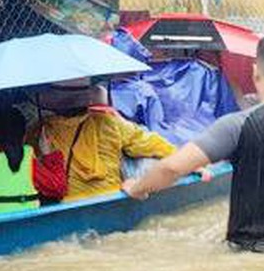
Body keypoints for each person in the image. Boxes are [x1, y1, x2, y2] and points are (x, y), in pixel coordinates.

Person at [123, 32, 264, 254]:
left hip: (251, 254)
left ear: (255, 72)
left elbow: (172, 167)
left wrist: (137, 188)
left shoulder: (237, 126)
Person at [37, 82, 175, 200]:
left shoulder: (41, 130)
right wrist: (183, 157)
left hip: (67, 204)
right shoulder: (110, 122)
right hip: (111, 198)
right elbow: (149, 143)